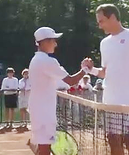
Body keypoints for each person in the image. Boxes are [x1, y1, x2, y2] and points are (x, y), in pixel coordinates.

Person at [81, 4, 129, 155]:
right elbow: (105, 73)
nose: (99, 25)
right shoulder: (104, 43)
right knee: (113, 140)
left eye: (101, 21)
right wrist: (91, 69)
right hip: (110, 101)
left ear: (113, 17)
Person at [27, 27, 92, 155]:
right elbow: (71, 81)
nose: (56, 44)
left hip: (40, 109)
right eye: (53, 41)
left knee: (43, 147)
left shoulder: (37, 60)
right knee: (45, 149)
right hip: (43, 111)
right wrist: (85, 69)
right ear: (45, 42)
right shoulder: (47, 61)